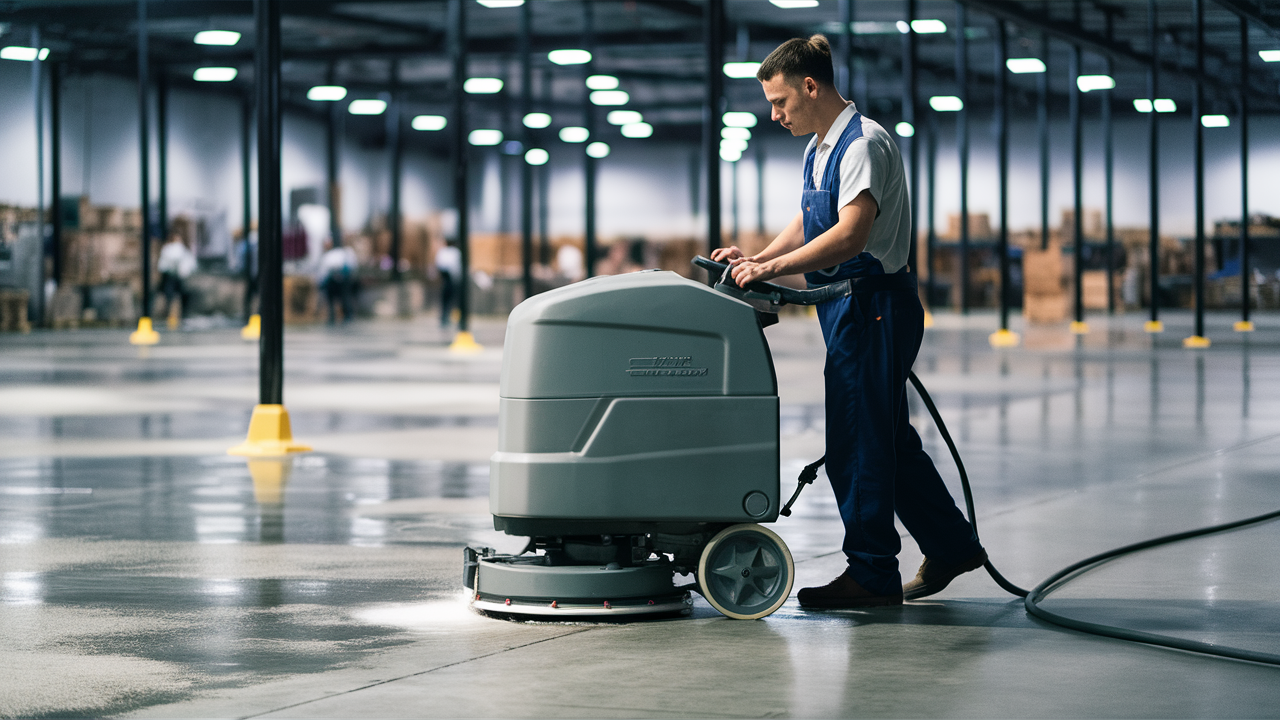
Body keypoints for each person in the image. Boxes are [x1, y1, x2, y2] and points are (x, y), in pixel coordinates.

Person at [711, 35, 986, 608]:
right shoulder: (820, 147)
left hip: (873, 304)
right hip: (850, 305)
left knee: (857, 444)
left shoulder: (862, 143)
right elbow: (809, 218)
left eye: (780, 100)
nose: (774, 113)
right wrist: (759, 259)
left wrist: (777, 267)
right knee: (886, 437)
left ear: (811, 86)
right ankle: (952, 545)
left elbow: (850, 233)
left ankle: (872, 574)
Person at [157, 233, 196, 327]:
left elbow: (189, 263)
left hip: (178, 277)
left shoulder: (181, 249)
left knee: (180, 295)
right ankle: (170, 315)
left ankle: (180, 315)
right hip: (170, 276)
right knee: (170, 296)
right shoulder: (170, 249)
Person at [317, 239, 357, 324]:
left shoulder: (345, 252)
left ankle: (344, 316)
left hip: (340, 280)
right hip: (338, 280)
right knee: (342, 298)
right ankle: (341, 316)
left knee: (343, 298)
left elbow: (323, 272)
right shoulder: (345, 252)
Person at [434, 239, 462, 328]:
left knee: (445, 300)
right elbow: (457, 267)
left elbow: (438, 264)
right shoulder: (456, 252)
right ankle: (447, 317)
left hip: (445, 278)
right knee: (451, 299)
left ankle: (444, 317)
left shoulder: (442, 252)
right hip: (451, 278)